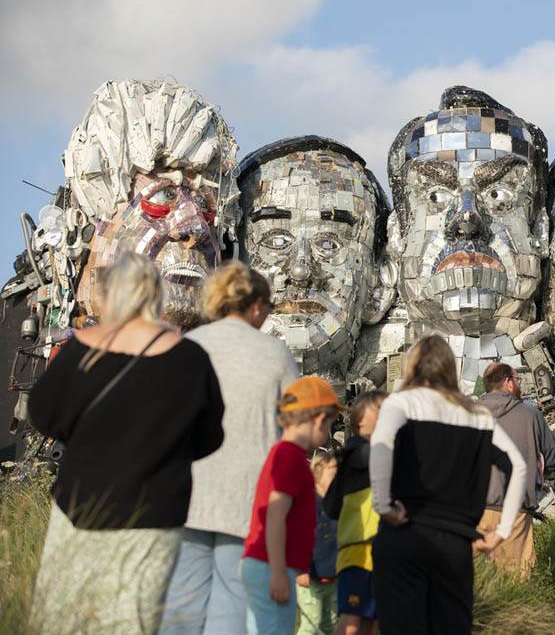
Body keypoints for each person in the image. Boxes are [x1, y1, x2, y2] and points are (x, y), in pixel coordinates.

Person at [27, 252, 225, 634]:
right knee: (133, 621)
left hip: (80, 507)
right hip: (155, 514)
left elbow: (42, 415)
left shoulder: (82, 348)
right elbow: (211, 435)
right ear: (156, 295)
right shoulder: (189, 358)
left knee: (64, 619)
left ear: (109, 295)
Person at [161, 261, 300, 635]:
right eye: (268, 307)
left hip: (187, 492)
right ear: (255, 305)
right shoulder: (275, 353)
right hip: (248, 495)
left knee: (179, 605)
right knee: (232, 605)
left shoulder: (189, 346)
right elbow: (295, 425)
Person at [369, 335, 527, 634]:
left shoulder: (400, 403)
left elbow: (381, 444)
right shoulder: (476, 415)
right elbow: (517, 465)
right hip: (454, 545)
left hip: (404, 532)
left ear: (412, 367)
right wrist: (501, 532)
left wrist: (383, 504)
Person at [241, 377, 342, 635]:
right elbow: (275, 516)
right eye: (330, 424)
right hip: (272, 565)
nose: (328, 430)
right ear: (319, 421)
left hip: (268, 563)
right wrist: (277, 572)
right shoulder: (292, 458)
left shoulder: (285, 453)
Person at [475, 362, 555, 577]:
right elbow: (552, 457)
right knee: (515, 577)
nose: (518, 384)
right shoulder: (530, 415)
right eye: (517, 379)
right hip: (514, 508)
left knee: (476, 578)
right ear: (508, 382)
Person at [325, 390, 387, 635]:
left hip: (377, 551)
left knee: (372, 622)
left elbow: (331, 506)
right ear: (360, 420)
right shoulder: (357, 452)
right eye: (382, 412)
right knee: (351, 623)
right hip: (356, 552)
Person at [296, 450, 339, 635]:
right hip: (310, 577)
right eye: (333, 474)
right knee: (311, 623)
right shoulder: (309, 504)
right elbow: (300, 538)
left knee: (332, 622)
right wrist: (301, 570)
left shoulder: (337, 504)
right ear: (318, 475)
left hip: (332, 574)